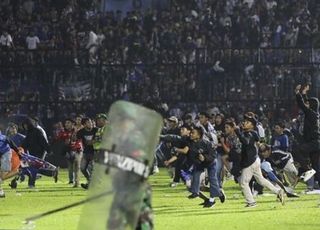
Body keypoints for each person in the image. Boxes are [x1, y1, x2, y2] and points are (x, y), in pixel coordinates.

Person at [235, 114, 285, 207]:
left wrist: (237, 131)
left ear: (252, 125)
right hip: (255, 159)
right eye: (245, 121)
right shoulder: (252, 133)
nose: (244, 123)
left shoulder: (249, 133)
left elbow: (245, 141)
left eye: (247, 122)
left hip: (250, 161)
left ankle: (251, 202)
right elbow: (256, 141)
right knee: (261, 180)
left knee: (243, 182)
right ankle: (278, 191)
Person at [187, 126, 225, 208]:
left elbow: (213, 155)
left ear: (199, 135)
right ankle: (195, 192)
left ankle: (212, 200)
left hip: (211, 163)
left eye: (193, 133)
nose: (191, 134)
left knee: (212, 179)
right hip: (200, 164)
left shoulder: (207, 143)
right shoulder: (192, 144)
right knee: (195, 175)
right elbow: (192, 157)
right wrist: (199, 161)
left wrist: (204, 158)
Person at [292, 84, 320, 185]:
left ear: (311, 105)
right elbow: (306, 105)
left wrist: (297, 93)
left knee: (298, 150)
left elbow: (302, 105)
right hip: (315, 143)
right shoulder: (313, 113)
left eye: (308, 103)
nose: (306, 104)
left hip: (313, 142)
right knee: (316, 165)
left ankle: (307, 168)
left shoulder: (311, 114)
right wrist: (304, 94)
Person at [77, 117, 97, 189]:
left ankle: (91, 184)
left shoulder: (96, 130)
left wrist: (95, 141)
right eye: (88, 122)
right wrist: (75, 132)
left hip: (95, 152)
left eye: (91, 122)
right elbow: (74, 139)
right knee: (82, 168)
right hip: (86, 152)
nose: (91, 124)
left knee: (93, 168)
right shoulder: (81, 132)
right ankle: (90, 181)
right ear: (84, 125)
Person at [0, 131, 21, 197]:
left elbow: (11, 143)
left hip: (5, 154)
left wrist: (18, 151)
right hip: (2, 155)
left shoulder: (3, 137)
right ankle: (1, 193)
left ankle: (18, 171)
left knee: (2, 177)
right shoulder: (3, 137)